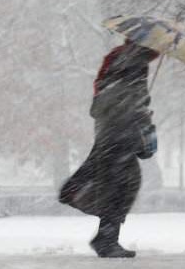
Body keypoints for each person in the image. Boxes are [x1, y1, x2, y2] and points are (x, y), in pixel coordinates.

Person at [59, 40, 160, 258]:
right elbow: (132, 102)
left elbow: (103, 103)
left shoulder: (119, 61)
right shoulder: (135, 64)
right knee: (121, 188)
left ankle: (104, 235)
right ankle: (105, 239)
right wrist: (143, 118)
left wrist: (139, 108)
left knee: (117, 185)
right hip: (121, 134)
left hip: (110, 133)